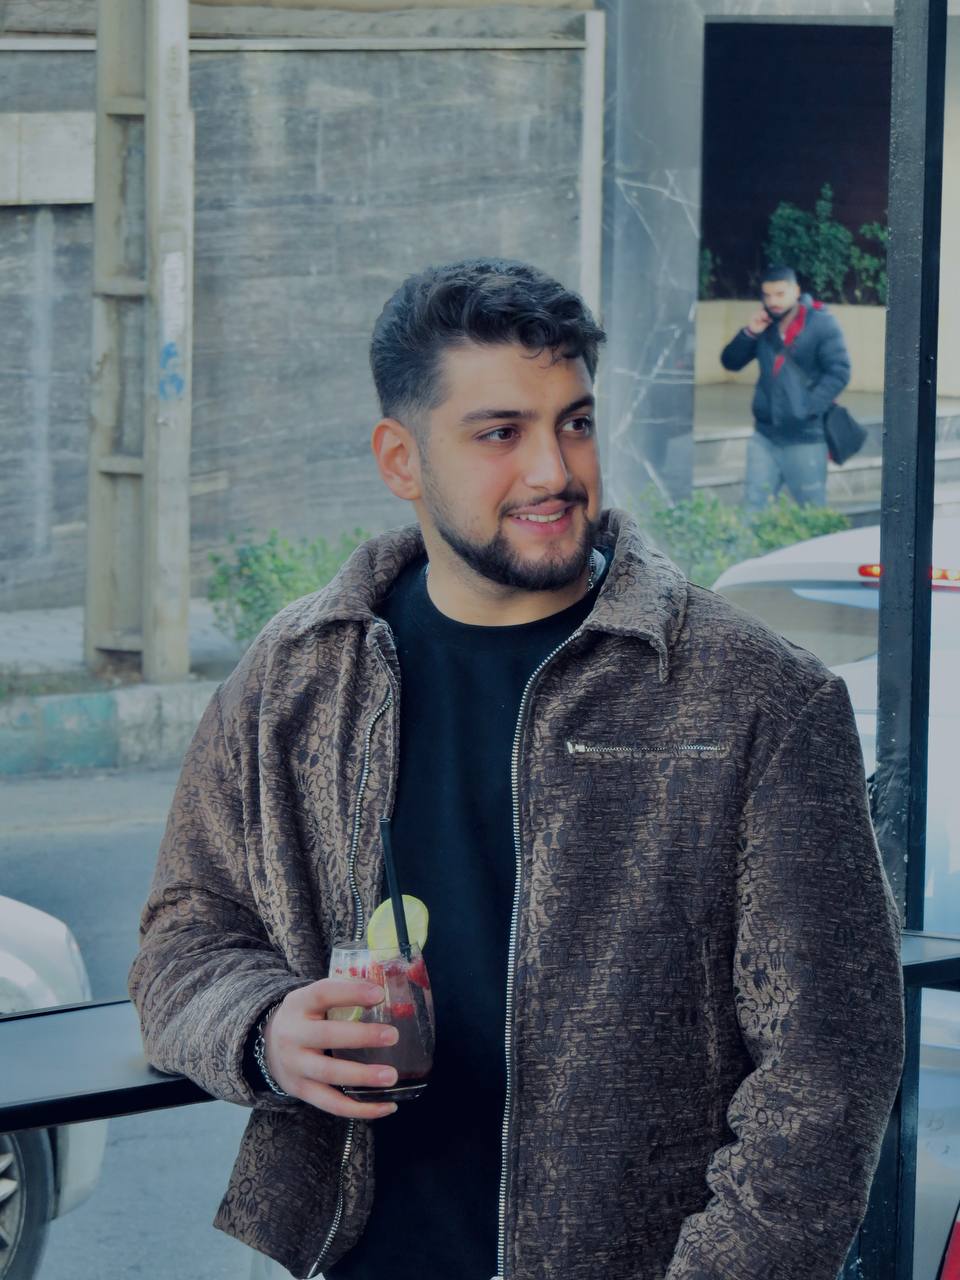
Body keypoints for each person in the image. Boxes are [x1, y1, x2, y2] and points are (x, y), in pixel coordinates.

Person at [130, 258, 903, 1280]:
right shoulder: (297, 676)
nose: (553, 470)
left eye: (574, 423)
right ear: (401, 459)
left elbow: (828, 1070)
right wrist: (266, 1028)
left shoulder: (756, 696)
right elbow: (185, 936)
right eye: (501, 433)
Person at [720, 263, 852, 511]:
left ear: (796, 291)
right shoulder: (765, 325)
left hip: (805, 437)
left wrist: (807, 409)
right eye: (767, 295)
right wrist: (750, 332)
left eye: (780, 294)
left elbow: (840, 372)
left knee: (811, 511)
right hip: (764, 435)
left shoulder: (821, 323)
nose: (773, 301)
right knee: (753, 506)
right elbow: (730, 362)